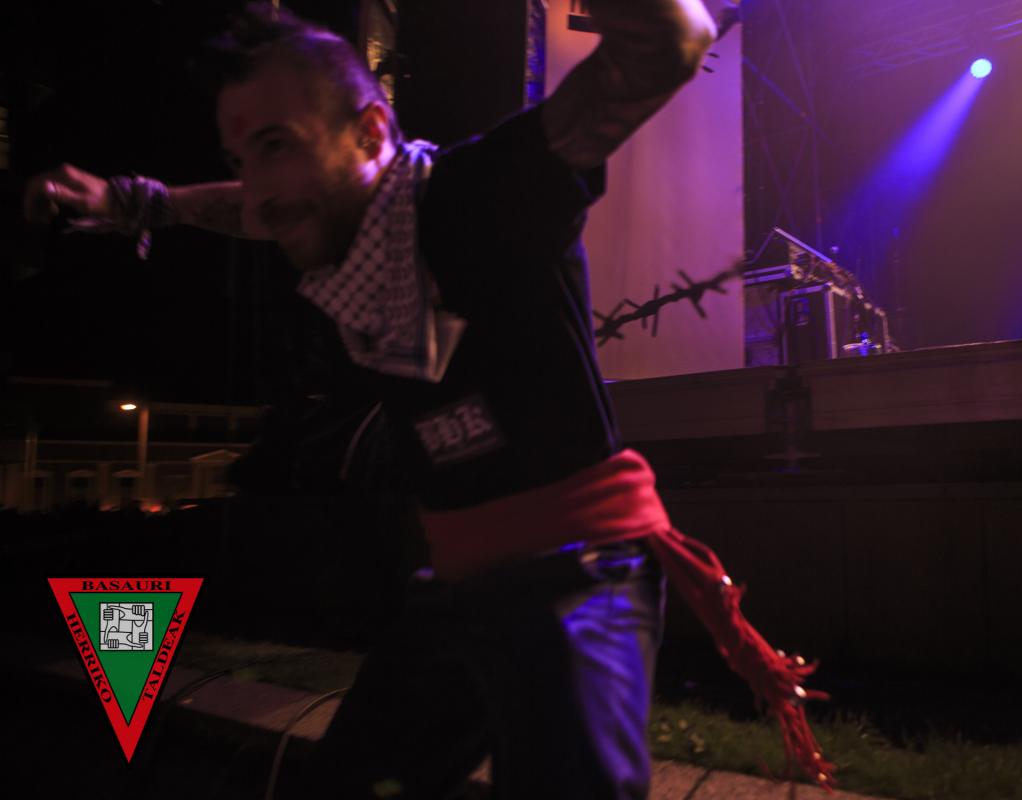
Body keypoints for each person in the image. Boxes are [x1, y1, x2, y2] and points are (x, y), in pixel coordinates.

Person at [24, 3, 831, 798]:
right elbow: (246, 209)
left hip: (578, 580)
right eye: (243, 156)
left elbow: (677, 36)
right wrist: (139, 202)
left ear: (370, 133)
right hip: (458, 590)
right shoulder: (348, 241)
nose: (259, 191)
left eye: (276, 146)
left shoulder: (482, 190)